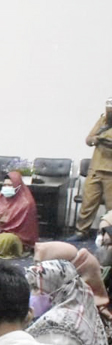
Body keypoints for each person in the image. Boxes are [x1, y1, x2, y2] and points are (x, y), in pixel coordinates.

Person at [26, 259, 110, 345]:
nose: (32, 294)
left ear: (57, 289)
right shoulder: (80, 304)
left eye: (36, 288)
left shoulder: (56, 329)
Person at [69, 98, 112, 242]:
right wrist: (96, 139)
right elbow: (88, 140)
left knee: (111, 208)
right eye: (108, 108)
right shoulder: (103, 121)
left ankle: (108, 236)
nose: (109, 111)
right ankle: (81, 231)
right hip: (95, 169)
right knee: (87, 204)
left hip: (111, 173)